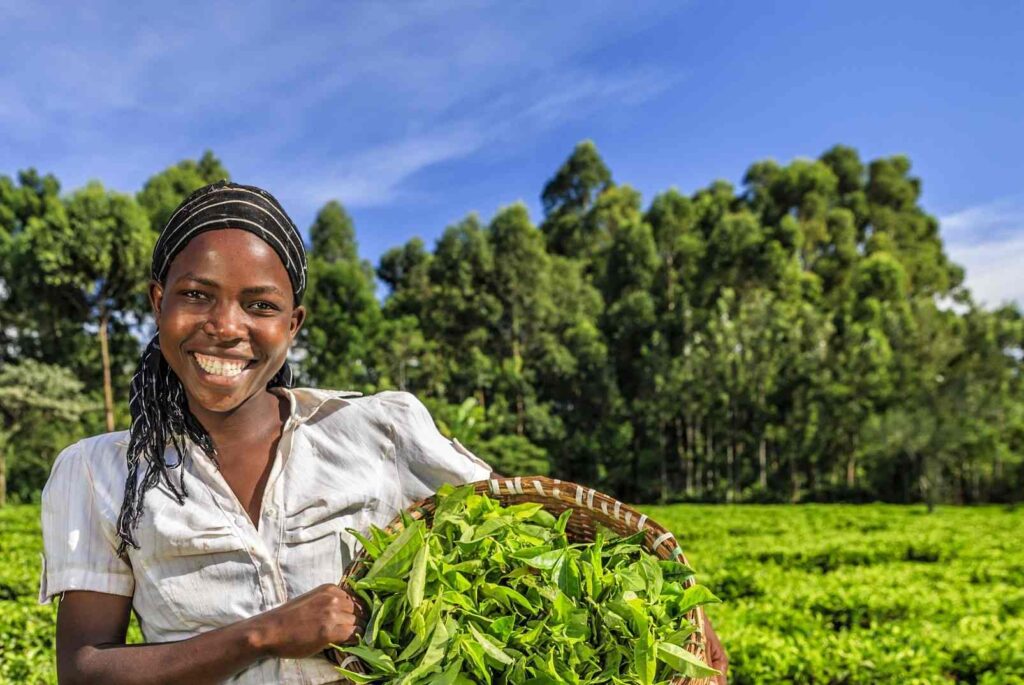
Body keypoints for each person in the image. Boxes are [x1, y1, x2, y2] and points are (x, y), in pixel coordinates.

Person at [39, 181, 727, 684]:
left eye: (261, 305)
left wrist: (666, 627)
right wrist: (266, 633)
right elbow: (85, 671)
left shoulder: (380, 428)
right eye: (196, 295)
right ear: (158, 300)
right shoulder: (100, 472)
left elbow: (522, 541)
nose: (226, 326)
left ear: (293, 324)